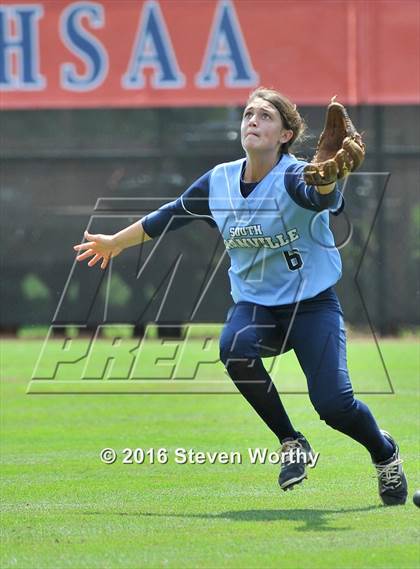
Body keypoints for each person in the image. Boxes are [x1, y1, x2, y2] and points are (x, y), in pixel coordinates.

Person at [74, 87, 407, 505]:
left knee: (334, 406)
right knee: (234, 348)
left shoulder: (295, 175)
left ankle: (385, 453)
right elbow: (170, 215)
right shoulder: (220, 181)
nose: (253, 120)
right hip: (258, 308)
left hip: (312, 307)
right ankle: (291, 442)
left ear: (286, 135)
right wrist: (115, 243)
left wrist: (328, 183)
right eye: (249, 113)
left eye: (266, 116)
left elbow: (320, 193)